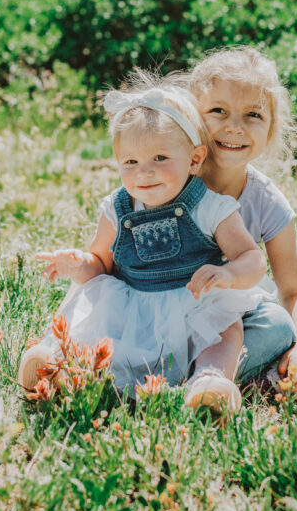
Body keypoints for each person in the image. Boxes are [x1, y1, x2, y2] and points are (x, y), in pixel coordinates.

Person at [18, 82, 267, 412]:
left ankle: (209, 383)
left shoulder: (210, 207)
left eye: (160, 157)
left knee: (226, 329)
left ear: (194, 159)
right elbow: (101, 264)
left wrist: (228, 274)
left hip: (192, 303)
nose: (144, 171)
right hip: (130, 307)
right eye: (130, 161)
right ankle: (56, 367)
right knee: (90, 327)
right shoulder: (118, 208)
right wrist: (79, 263)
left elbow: (252, 258)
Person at [186, 47, 297, 400]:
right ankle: (199, 381)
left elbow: (294, 290)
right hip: (160, 309)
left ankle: (200, 382)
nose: (234, 127)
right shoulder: (171, 179)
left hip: (224, 327)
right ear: (190, 116)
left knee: (277, 327)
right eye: (218, 111)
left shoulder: (266, 201)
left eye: (253, 114)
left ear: (272, 127)